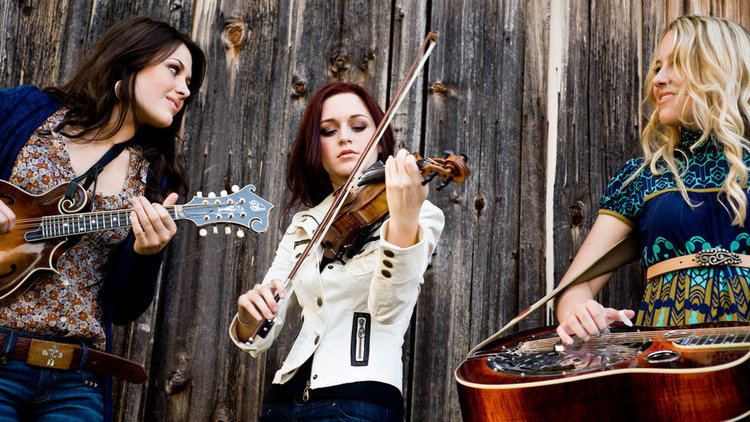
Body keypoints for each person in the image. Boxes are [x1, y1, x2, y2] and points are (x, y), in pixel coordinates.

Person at [0, 16, 205, 421]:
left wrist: (147, 254)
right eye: (174, 70)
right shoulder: (26, 111)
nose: (184, 89)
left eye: (189, 82)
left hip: (76, 382)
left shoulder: (153, 178)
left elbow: (126, 307)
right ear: (131, 60)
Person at [229, 82, 444, 421]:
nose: (345, 137)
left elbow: (389, 309)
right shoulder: (306, 223)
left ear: (380, 137)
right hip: (282, 400)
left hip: (359, 399)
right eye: (329, 131)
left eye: (359, 127)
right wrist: (248, 314)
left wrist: (403, 222)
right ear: (316, 148)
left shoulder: (420, 214)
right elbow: (259, 335)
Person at [555, 15, 750, 345]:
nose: (658, 79)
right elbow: (574, 287)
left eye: (675, 64)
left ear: (720, 70)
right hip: (665, 365)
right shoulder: (641, 177)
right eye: (658, 67)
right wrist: (580, 311)